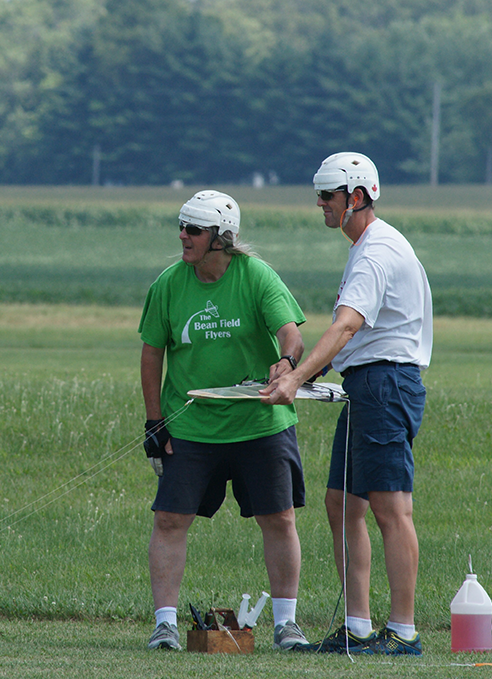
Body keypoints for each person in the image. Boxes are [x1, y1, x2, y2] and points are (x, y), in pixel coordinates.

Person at [261, 152, 432, 656]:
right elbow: (357, 336)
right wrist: (294, 369)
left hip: (385, 387)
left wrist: (298, 380)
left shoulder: (375, 251)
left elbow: (347, 326)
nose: (320, 204)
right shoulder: (368, 247)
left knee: (391, 510)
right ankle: (357, 626)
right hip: (367, 384)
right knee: (341, 504)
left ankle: (402, 632)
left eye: (327, 196)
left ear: (356, 197)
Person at [139, 190, 311, 652]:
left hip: (261, 425)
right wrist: (155, 421)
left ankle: (286, 625)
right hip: (192, 429)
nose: (183, 236)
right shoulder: (169, 284)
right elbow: (152, 351)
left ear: (221, 238)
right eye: (181, 226)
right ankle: (165, 626)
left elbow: (290, 334)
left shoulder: (257, 277)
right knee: (170, 520)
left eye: (193, 229)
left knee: (279, 518)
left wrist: (286, 362)